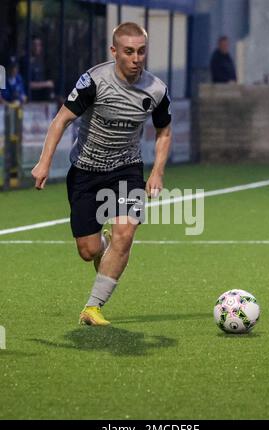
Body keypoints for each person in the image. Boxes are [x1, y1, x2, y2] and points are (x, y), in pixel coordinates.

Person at [31, 22, 172, 326]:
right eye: (129, 51)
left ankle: (93, 307)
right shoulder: (94, 81)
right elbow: (60, 121)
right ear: (114, 51)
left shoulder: (156, 89)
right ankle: (104, 249)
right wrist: (44, 163)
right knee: (88, 251)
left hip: (127, 170)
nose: (137, 58)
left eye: (142, 51)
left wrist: (157, 171)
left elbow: (164, 130)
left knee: (126, 232)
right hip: (86, 171)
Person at [20, 36, 55, 101]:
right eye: (34, 45)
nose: (36, 48)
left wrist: (47, 84)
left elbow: (51, 82)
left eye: (39, 45)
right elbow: (27, 84)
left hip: (43, 95)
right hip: (30, 97)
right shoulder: (24, 61)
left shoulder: (43, 61)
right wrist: (45, 84)